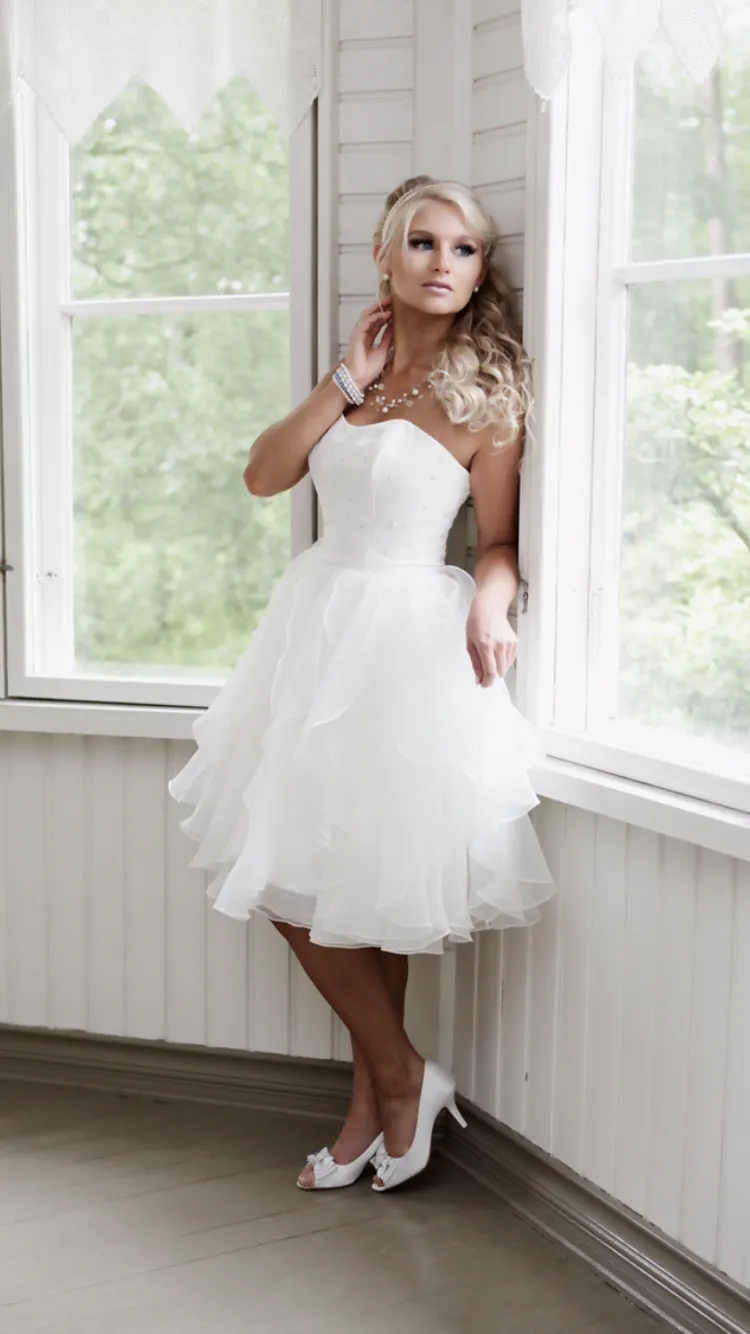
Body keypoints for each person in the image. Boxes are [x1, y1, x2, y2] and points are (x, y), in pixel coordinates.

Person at [169, 175, 557, 1193]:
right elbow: (263, 475)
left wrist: (492, 598)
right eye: (421, 242)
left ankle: (385, 1092)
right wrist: (344, 378)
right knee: (303, 871)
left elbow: (502, 538)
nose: (442, 262)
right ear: (383, 257)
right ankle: (393, 1084)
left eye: (463, 248)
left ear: (480, 270)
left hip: (406, 642)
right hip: (314, 627)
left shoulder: (488, 395)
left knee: (366, 880)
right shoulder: (359, 378)